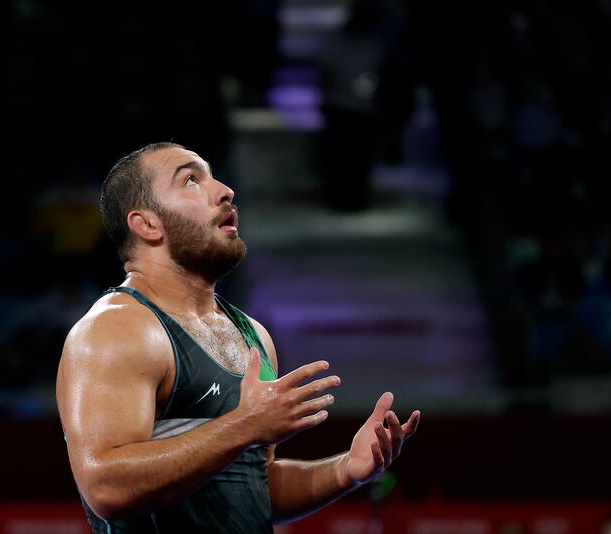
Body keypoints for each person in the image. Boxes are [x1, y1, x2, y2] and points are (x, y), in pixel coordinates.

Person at [55, 142, 421, 533]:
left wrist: (346, 469)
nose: (225, 190)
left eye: (213, 176)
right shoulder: (117, 330)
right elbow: (105, 487)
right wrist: (244, 426)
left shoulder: (252, 335)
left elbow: (252, 489)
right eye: (191, 180)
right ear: (147, 224)